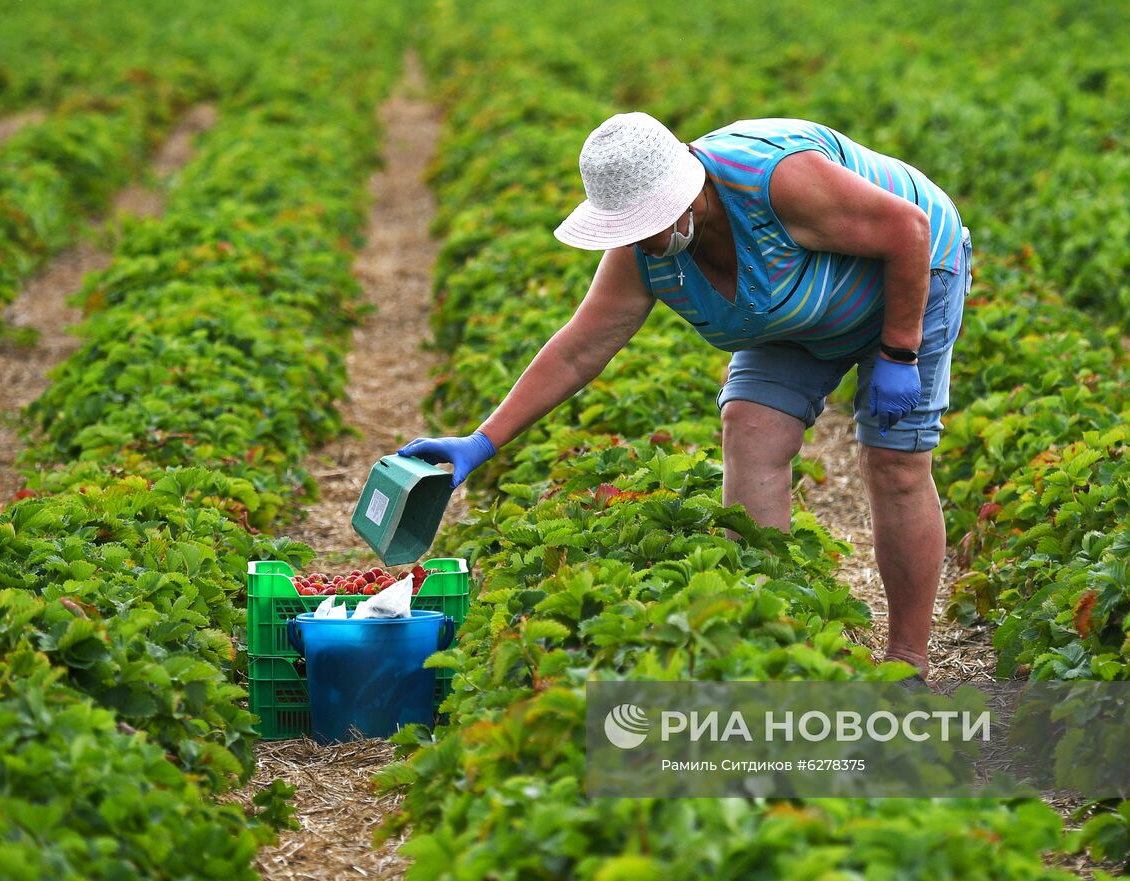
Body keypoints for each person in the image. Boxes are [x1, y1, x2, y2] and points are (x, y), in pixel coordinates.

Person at [399, 112, 972, 684]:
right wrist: (483, 440)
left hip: (907, 276)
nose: (646, 238)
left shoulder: (776, 180)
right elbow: (579, 350)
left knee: (895, 461)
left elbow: (908, 230)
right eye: (629, 226)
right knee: (748, 427)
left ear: (691, 188)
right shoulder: (643, 253)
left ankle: (908, 660)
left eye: (651, 219)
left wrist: (899, 352)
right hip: (787, 309)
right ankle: (764, 637)